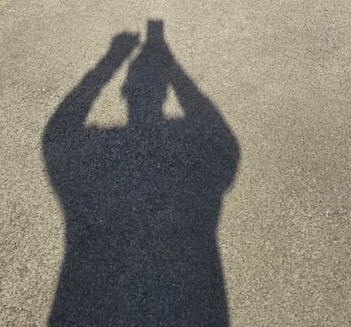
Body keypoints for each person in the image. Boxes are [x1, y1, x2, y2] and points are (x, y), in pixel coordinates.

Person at [44, 21, 239, 326]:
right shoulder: (207, 171)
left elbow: (58, 134)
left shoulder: (87, 168)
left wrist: (113, 59)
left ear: (124, 92)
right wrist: (170, 66)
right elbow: (220, 138)